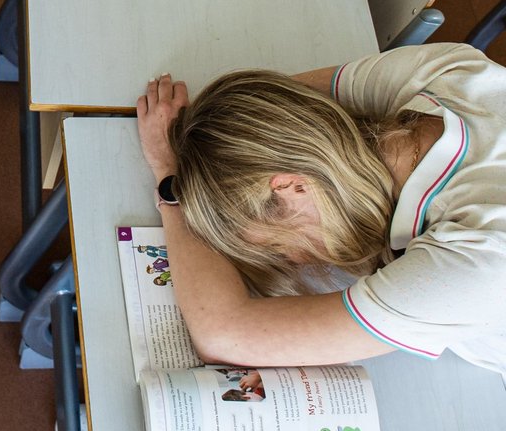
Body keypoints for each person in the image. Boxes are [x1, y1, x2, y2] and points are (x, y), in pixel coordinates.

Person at [137, 43, 506, 375]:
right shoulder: (448, 73)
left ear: (293, 186)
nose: (294, 261)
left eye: (277, 247)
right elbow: (280, 107)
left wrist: (169, 176)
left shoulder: (475, 261)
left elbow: (224, 336)